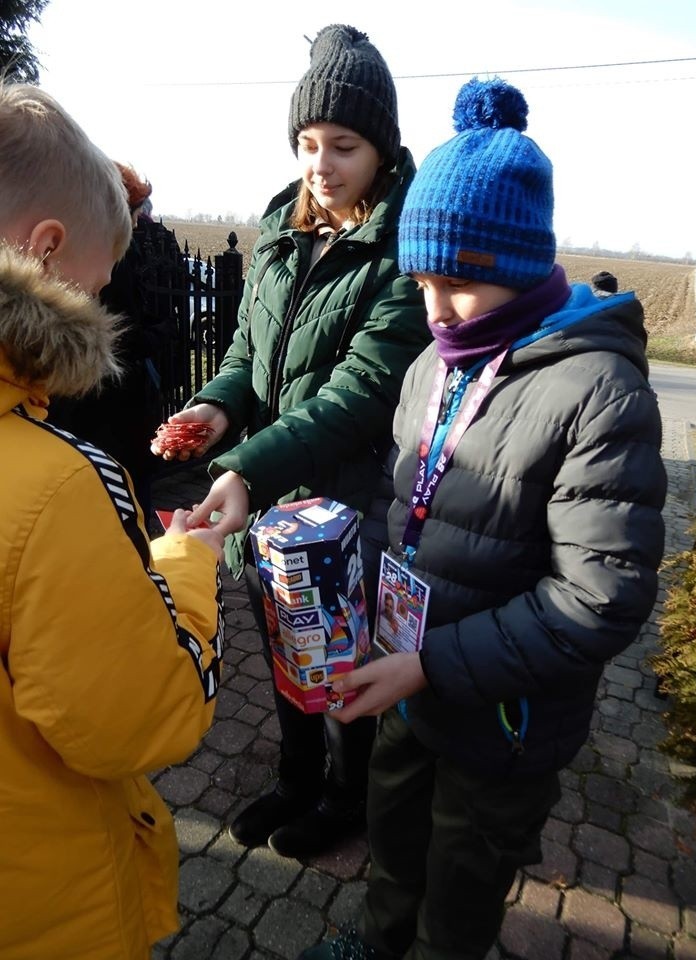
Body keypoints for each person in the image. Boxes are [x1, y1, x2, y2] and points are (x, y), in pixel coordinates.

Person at [295, 77, 667, 960]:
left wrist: (431, 665)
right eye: (420, 280)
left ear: (520, 265)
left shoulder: (600, 391)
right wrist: (357, 609)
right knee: (395, 837)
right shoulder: (432, 364)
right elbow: (400, 506)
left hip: (506, 724)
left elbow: (599, 601)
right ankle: (379, 939)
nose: (434, 310)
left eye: (459, 284)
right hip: (406, 680)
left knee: (461, 886)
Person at [152, 23, 430, 859]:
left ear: (381, 148)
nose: (321, 163)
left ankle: (348, 797)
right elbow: (246, 355)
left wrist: (241, 466)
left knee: (338, 656)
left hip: (346, 500)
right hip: (274, 493)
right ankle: (297, 779)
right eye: (308, 143)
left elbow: (358, 395)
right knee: (282, 639)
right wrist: (215, 412)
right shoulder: (281, 233)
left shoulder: (399, 252)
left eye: (343, 144)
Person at [0, 83, 224, 960]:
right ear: (48, 253)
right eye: (94, 288)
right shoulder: (53, 484)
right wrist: (190, 562)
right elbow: (137, 714)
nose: (99, 309)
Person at [49, 164, 175, 522]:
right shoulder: (112, 257)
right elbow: (119, 333)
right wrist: (159, 333)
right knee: (126, 495)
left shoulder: (80, 251)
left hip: (90, 402)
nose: (138, 223)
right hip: (113, 402)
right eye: (134, 213)